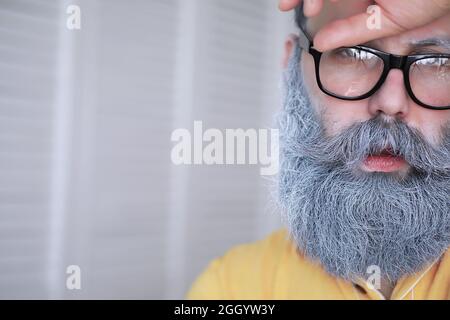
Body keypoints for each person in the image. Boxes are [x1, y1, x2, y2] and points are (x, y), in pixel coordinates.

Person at [186, 0, 450, 299]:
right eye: (352, 53)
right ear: (291, 68)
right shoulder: (231, 288)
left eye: (435, 62)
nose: (390, 103)